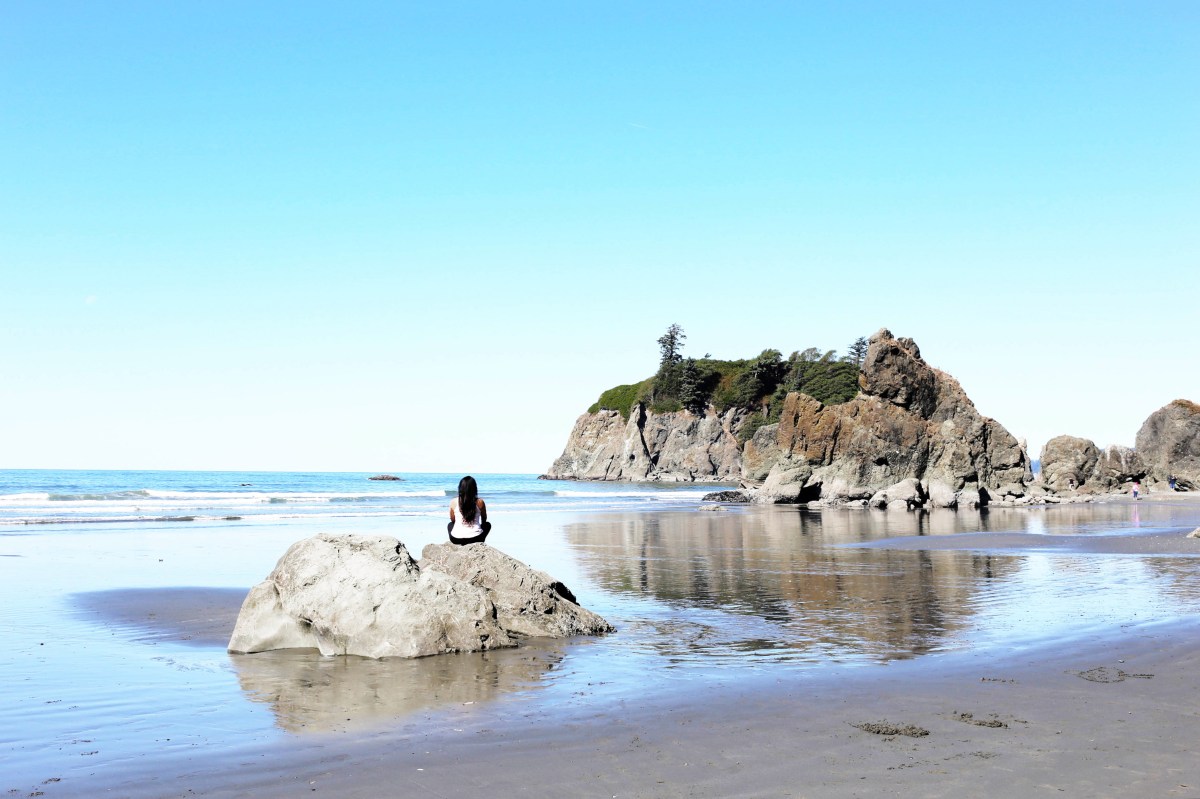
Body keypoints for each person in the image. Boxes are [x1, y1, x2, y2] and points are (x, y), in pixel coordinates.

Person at [448, 475, 491, 545]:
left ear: (460, 488)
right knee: (487, 525)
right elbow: (484, 519)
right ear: (474, 488)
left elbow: (452, 520)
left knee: (450, 525)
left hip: (456, 539)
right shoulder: (480, 502)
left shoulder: (453, 501)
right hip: (476, 538)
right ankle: (479, 544)